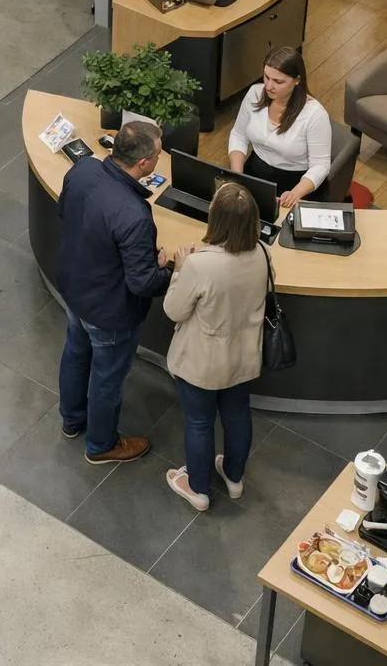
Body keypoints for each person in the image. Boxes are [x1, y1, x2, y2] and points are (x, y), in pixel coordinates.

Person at [55, 120, 173, 465]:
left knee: (76, 354)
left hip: (76, 289)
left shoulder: (83, 169)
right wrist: (167, 270)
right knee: (106, 379)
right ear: (144, 164)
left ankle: (72, 419)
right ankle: (101, 444)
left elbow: (66, 213)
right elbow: (142, 283)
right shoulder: (135, 215)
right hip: (110, 311)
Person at [161, 182, 268, 511]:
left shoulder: (200, 265)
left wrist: (179, 270)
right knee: (237, 416)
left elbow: (173, 310)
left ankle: (198, 489)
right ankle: (234, 478)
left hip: (202, 363)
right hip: (244, 357)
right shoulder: (262, 252)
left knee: (199, 423)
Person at [228, 46, 332, 209]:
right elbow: (239, 135)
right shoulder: (255, 93)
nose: (269, 86)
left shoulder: (315, 114)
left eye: (278, 81)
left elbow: (321, 165)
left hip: (297, 183)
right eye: (266, 77)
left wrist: (295, 193)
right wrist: (237, 176)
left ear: (297, 80)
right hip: (256, 172)